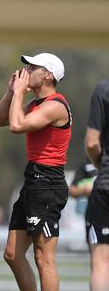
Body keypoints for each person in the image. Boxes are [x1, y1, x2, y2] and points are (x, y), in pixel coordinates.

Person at [0, 53, 71, 291]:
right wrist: (10, 92)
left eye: (33, 67)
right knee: (12, 254)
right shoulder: (36, 104)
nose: (26, 70)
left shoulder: (56, 106)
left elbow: (17, 126)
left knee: (43, 257)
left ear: (48, 75)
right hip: (33, 181)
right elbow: (0, 120)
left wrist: (19, 93)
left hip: (48, 183)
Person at [84, 79, 109, 290]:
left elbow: (92, 142)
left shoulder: (103, 89)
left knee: (102, 260)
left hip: (107, 185)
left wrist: (100, 163)